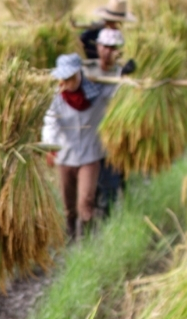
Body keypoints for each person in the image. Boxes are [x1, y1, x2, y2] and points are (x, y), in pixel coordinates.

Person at [42, 53, 119, 241]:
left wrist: (123, 72)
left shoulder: (97, 93)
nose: (66, 82)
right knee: (69, 206)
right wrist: (50, 147)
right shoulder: (56, 98)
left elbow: (116, 88)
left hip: (90, 156)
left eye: (70, 78)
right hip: (65, 157)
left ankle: (86, 239)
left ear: (79, 75)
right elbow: (50, 123)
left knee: (85, 202)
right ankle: (70, 235)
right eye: (63, 78)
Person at [85, 27, 136, 217]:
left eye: (113, 48)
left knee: (111, 181)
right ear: (98, 47)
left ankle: (109, 218)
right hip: (90, 136)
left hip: (113, 138)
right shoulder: (89, 72)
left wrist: (126, 78)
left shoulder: (125, 75)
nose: (109, 51)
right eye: (105, 46)